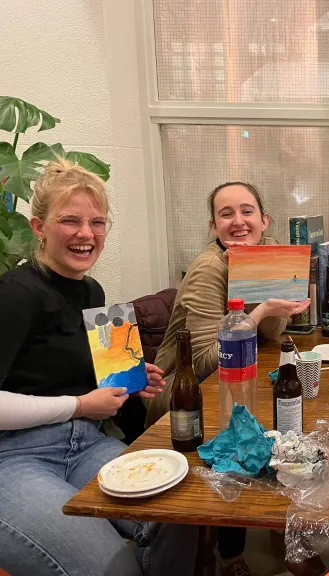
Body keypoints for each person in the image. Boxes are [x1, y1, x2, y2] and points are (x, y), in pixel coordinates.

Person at [0, 159, 197, 576]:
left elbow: (72, 372)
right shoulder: (14, 295)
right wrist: (80, 405)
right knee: (116, 567)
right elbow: (73, 400)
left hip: (84, 444)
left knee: (185, 514)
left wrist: (130, 377)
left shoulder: (91, 289)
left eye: (98, 222)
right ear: (39, 227)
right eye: (69, 221)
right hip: (13, 458)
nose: (86, 234)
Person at [149, 181, 312, 576]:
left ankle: (284, 531)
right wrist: (258, 313)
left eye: (247, 211)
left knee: (293, 424)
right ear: (213, 225)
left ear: (263, 219)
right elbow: (204, 363)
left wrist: (279, 305)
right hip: (183, 397)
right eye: (226, 214)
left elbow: (270, 337)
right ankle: (231, 553)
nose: (238, 222)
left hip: (240, 376)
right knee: (255, 428)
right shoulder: (210, 269)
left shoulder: (263, 254)